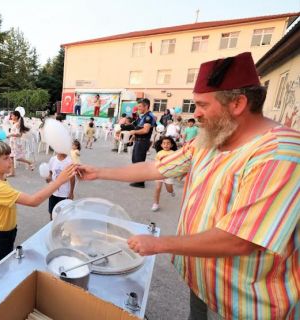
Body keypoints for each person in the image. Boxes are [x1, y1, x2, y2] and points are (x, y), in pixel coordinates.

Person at [77, 52, 300, 319]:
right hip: (203, 284)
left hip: (246, 303)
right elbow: (156, 167)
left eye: (203, 105)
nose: (196, 114)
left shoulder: (280, 154)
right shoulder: (213, 138)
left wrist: (160, 244)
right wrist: (99, 171)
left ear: (238, 103)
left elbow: (240, 240)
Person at [0, 141, 77, 269]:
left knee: (4, 267)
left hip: (7, 232)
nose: (10, 160)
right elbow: (33, 201)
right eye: (6, 158)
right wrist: (59, 181)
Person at [128, 98, 156, 188]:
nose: (138, 108)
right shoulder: (143, 116)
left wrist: (134, 132)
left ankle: (140, 182)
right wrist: (133, 137)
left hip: (143, 142)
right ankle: (137, 179)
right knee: (135, 160)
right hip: (139, 141)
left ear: (146, 106)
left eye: (140, 106)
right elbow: (139, 128)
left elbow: (145, 130)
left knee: (139, 161)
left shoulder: (149, 116)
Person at [46, 152, 75, 220]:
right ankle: (51, 224)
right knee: (51, 211)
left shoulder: (69, 161)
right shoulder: (53, 159)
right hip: (53, 192)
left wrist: (71, 192)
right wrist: (49, 177)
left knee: (63, 214)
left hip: (64, 194)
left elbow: (72, 178)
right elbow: (50, 172)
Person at [151, 136, 177, 211]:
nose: (166, 145)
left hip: (169, 174)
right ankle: (156, 204)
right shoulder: (159, 153)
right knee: (157, 188)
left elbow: (176, 163)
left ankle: (172, 191)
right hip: (159, 173)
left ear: (171, 145)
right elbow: (156, 163)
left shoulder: (174, 153)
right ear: (161, 145)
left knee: (169, 189)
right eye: (164, 143)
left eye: (168, 143)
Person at [7, 110, 34, 176]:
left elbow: (19, 134)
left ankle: (29, 162)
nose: (11, 116)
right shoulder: (15, 123)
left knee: (17, 157)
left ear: (16, 116)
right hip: (13, 142)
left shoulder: (17, 124)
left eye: (12, 115)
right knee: (11, 157)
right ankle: (12, 173)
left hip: (15, 143)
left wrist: (10, 135)